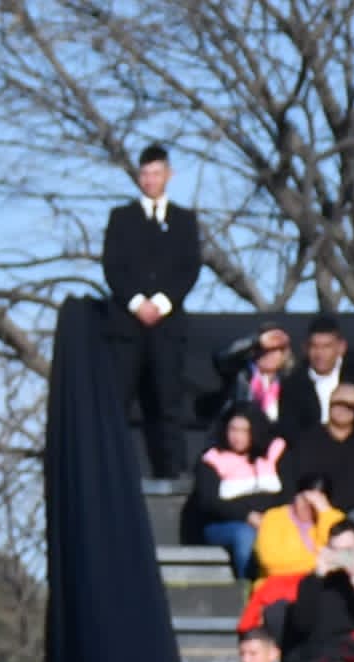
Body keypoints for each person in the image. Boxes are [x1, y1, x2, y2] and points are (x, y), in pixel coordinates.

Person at [99, 143, 208, 478]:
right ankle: (111, 471)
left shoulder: (184, 221)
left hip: (167, 327)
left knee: (167, 402)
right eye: (144, 174)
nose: (150, 180)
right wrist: (136, 303)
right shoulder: (121, 218)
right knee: (119, 401)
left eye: (156, 173)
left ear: (168, 175)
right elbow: (113, 266)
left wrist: (161, 303)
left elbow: (189, 268)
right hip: (127, 328)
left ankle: (171, 473)